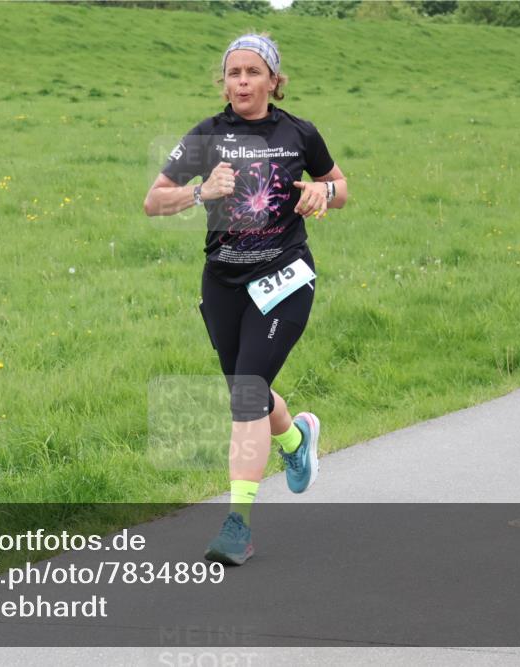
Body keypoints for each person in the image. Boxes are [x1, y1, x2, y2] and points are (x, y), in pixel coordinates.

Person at [143, 33, 347, 565]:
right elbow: (153, 201)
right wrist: (198, 192)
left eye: (253, 72)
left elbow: (340, 186)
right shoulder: (206, 135)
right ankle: (296, 442)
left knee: (247, 392)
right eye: (233, 73)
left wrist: (321, 193)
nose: (241, 82)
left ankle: (238, 524)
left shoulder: (299, 133)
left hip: (284, 276)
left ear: (273, 81)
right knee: (247, 391)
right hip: (223, 282)